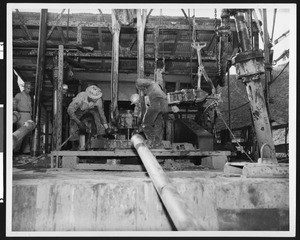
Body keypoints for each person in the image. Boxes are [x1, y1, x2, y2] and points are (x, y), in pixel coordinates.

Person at [67, 85, 110, 150]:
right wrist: (79, 123)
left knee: (97, 115)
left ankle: (100, 135)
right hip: (79, 109)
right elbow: (70, 111)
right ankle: (75, 142)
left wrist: (106, 127)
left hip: (92, 109)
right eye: (94, 98)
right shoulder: (80, 98)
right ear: (89, 96)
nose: (96, 99)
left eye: (97, 98)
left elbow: (102, 114)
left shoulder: (99, 100)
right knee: (73, 122)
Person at [135, 78, 169, 148]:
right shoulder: (156, 86)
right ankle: (158, 143)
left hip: (157, 103)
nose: (142, 91)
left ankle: (153, 141)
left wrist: (140, 120)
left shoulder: (150, 87)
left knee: (145, 124)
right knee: (158, 123)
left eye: (141, 89)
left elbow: (139, 82)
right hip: (164, 105)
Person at [13, 81, 32, 154]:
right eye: (28, 88)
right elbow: (14, 105)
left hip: (28, 115)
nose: (29, 90)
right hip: (21, 115)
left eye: (30, 88)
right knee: (20, 133)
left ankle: (26, 150)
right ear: (24, 87)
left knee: (27, 133)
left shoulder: (29, 96)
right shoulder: (18, 95)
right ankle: (16, 150)